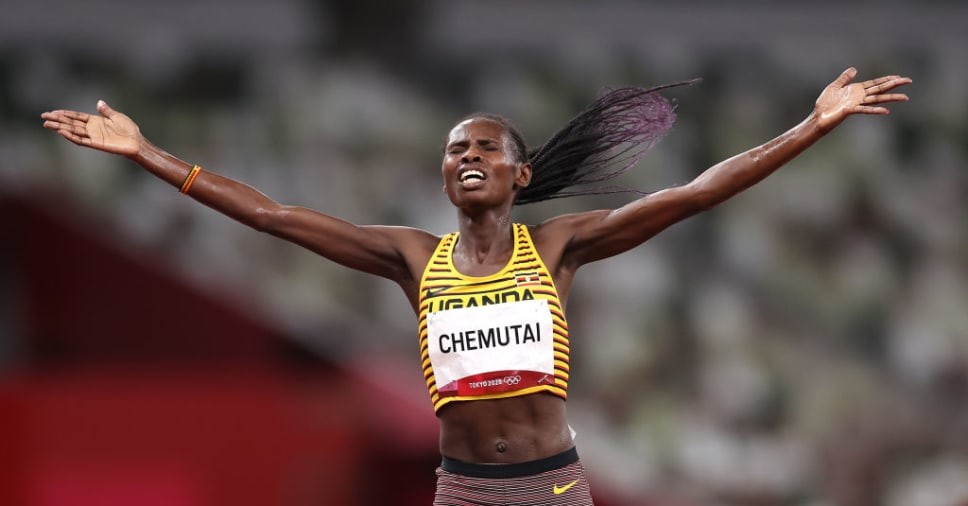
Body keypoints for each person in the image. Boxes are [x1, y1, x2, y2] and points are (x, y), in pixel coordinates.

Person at [41, 67, 910, 505]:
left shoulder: (559, 245)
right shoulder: (411, 258)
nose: (466, 155)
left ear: (519, 174)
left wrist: (812, 124)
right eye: (455, 147)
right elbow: (272, 216)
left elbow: (695, 193)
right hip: (462, 490)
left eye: (485, 146)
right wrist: (146, 154)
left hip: (552, 487)